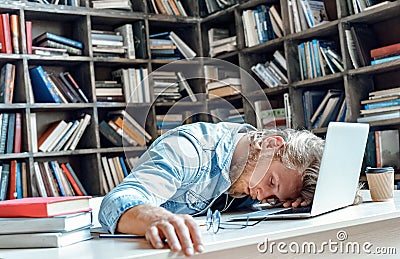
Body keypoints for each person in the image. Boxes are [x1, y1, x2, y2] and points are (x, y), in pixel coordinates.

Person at [99, 121, 324, 256]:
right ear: (271, 145)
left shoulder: (252, 168)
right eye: (271, 183)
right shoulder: (189, 151)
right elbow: (116, 201)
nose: (261, 195)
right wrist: (154, 217)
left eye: (273, 198)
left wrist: (302, 201)